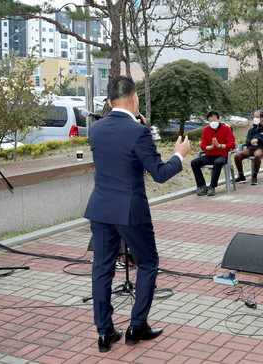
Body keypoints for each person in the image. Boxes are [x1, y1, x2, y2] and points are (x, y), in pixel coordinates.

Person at [84, 76, 190, 352]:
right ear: (135, 99)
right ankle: (137, 325)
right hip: (130, 211)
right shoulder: (138, 132)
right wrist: (179, 155)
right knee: (147, 263)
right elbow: (160, 174)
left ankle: (105, 332)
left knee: (101, 269)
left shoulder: (95, 129)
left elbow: (118, 155)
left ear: (109, 102)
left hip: (100, 207)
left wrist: (138, 127)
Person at [191, 111, 236, 196]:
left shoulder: (226, 129)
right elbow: (203, 146)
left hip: (223, 155)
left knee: (218, 162)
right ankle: (202, 186)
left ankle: (212, 186)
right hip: (210, 155)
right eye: (210, 120)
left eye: (214, 119)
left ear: (219, 119)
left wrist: (220, 145)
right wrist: (210, 147)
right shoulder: (206, 130)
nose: (212, 122)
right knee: (194, 162)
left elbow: (232, 144)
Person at [234, 110, 263, 185]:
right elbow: (247, 141)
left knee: (257, 155)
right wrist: (251, 142)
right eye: (254, 117)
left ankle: (254, 175)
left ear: (262, 118)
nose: (255, 118)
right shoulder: (251, 130)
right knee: (237, 156)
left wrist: (258, 140)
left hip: (260, 148)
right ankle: (241, 176)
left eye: (257, 117)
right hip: (250, 148)